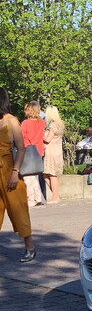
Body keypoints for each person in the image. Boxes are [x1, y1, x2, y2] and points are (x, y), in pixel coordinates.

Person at [0, 87, 36, 262]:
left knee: (18, 209)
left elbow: (21, 149)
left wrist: (15, 172)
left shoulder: (12, 121)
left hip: (8, 169)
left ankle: (30, 247)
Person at [21, 102, 46, 206]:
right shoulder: (42, 123)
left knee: (27, 176)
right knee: (35, 175)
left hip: (27, 150)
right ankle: (38, 196)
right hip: (38, 151)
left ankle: (31, 198)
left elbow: (22, 137)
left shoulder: (25, 123)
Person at [43, 105, 64, 204]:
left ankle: (55, 196)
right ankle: (56, 195)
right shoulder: (60, 124)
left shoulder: (52, 125)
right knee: (46, 174)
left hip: (51, 152)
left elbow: (47, 139)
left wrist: (40, 133)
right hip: (57, 151)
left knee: (52, 174)